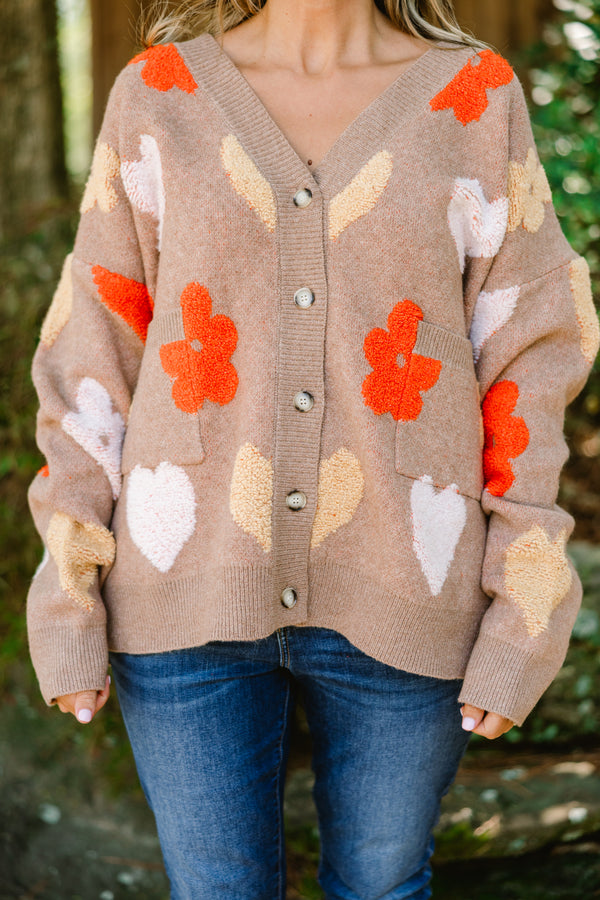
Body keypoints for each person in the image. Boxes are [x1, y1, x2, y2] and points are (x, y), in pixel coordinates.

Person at [26, 0, 599, 897]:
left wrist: (525, 598)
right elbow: (92, 349)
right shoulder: (160, 93)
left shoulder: (475, 98)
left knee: (382, 885)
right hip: (182, 585)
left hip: (412, 583)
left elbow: (530, 354)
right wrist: (68, 588)